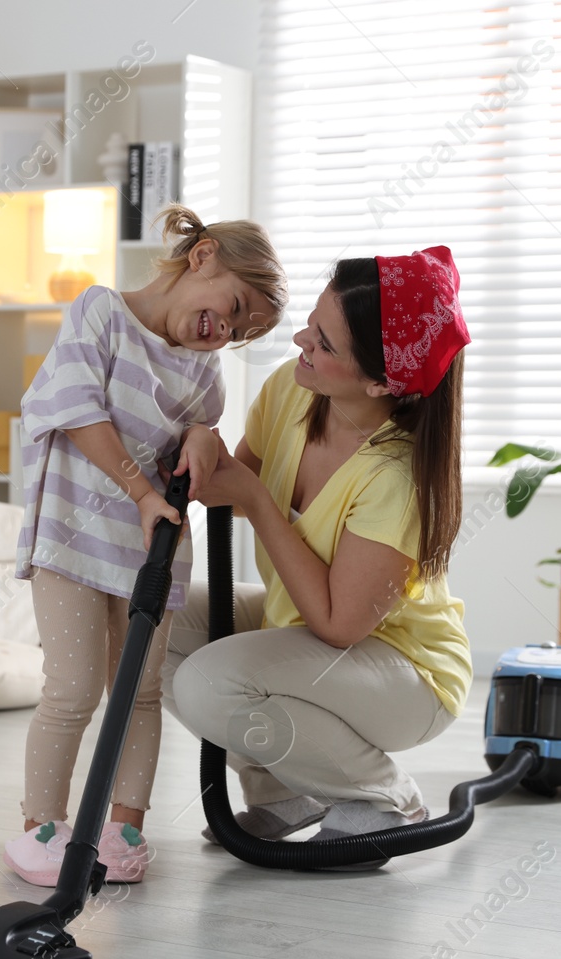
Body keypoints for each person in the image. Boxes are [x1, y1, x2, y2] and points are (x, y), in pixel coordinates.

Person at [162, 246, 473, 870]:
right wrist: (199, 434)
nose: (301, 339)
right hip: (304, 631)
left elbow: (337, 624)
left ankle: (383, 797)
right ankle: (287, 793)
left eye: (325, 343)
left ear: (381, 382)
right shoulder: (292, 391)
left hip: (405, 673)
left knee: (208, 680)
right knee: (140, 625)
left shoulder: (397, 475)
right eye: (313, 320)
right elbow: (230, 480)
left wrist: (252, 496)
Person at [4, 205, 288, 887]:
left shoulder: (202, 374)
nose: (224, 331)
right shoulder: (101, 314)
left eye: (240, 333)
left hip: (148, 553)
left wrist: (202, 439)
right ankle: (40, 826)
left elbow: (201, 437)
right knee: (73, 689)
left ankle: (123, 828)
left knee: (140, 694)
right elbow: (74, 412)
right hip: (71, 541)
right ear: (203, 257)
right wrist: (139, 490)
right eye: (234, 307)